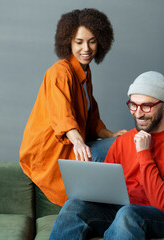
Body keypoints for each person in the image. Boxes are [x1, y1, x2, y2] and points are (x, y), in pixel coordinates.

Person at [49, 71, 164, 239]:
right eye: (133, 105)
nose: (138, 113)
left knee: (127, 214)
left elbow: (162, 204)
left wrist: (144, 153)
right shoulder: (122, 141)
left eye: (146, 106)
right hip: (120, 211)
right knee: (74, 206)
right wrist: (91, 180)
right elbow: (106, 191)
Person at [19, 8, 126, 207]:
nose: (86, 48)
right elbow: (63, 116)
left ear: (101, 41)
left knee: (126, 142)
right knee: (124, 149)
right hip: (52, 152)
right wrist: (77, 142)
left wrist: (111, 134)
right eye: (79, 42)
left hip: (75, 143)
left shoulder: (85, 72)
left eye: (92, 41)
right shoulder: (60, 72)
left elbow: (91, 118)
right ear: (68, 42)